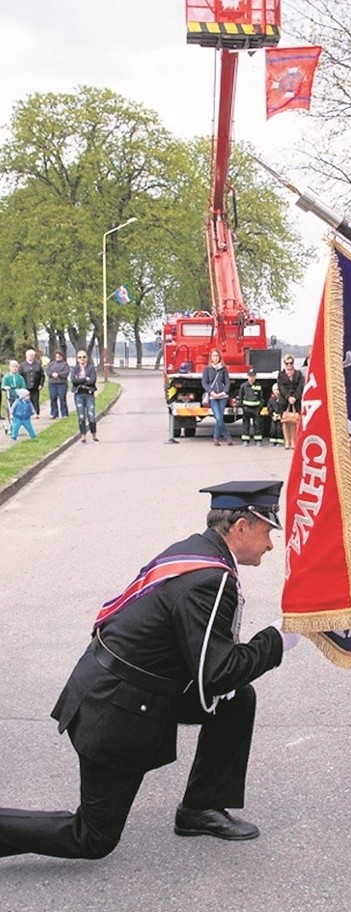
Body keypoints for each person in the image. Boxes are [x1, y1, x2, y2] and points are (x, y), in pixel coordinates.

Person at [0, 481, 296, 860]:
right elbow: (217, 674)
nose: (271, 544)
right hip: (115, 711)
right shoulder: (211, 579)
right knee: (92, 838)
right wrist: (279, 638)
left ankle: (199, 809)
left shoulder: (197, 550)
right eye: (267, 531)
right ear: (241, 527)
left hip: (115, 688)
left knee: (236, 700)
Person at [201, 348, 233, 446]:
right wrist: (211, 392)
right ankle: (227, 436)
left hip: (223, 396)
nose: (215, 358)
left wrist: (224, 392)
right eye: (213, 356)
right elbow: (204, 383)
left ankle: (216, 438)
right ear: (210, 357)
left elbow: (227, 382)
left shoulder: (224, 369)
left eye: (217, 356)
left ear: (219, 357)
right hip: (213, 397)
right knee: (218, 417)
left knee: (220, 417)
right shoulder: (207, 369)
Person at [276, 355, 304, 449]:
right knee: (285, 421)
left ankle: (293, 442)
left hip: (296, 401)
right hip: (284, 400)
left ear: (293, 363)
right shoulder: (281, 374)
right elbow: (281, 387)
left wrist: (295, 397)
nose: (289, 365)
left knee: (294, 422)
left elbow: (300, 387)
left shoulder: (298, 374)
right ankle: (287, 441)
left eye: (291, 363)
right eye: (287, 363)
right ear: (284, 363)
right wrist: (288, 397)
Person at [70, 351, 98, 443]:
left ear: (87, 358)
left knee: (91, 415)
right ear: (77, 359)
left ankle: (94, 434)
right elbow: (74, 380)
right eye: (80, 357)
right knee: (81, 416)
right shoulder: (75, 368)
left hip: (89, 394)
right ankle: (83, 436)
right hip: (79, 394)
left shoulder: (91, 368)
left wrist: (80, 381)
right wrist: (85, 379)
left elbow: (92, 381)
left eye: (84, 357)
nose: (82, 359)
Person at [237, 368, 264, 447]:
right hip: (246, 409)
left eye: (253, 376)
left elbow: (261, 397)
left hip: (256, 409)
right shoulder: (244, 386)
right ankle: (245, 440)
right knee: (246, 425)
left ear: (255, 377)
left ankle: (258, 440)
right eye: (250, 376)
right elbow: (240, 397)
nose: (251, 378)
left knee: (257, 424)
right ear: (247, 376)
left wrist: (260, 407)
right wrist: (242, 407)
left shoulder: (258, 386)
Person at [19, 349, 45, 417]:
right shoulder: (22, 365)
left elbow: (42, 375)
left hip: (36, 386)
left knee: (35, 399)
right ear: (26, 356)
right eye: (29, 355)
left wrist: (41, 384)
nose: (31, 356)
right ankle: (27, 413)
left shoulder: (38, 364)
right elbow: (20, 376)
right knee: (26, 400)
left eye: (32, 355)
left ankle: (36, 413)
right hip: (25, 386)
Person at [47, 351, 71, 419]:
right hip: (52, 384)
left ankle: (64, 413)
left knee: (62, 398)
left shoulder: (65, 364)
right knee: (53, 398)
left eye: (59, 356)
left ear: (62, 357)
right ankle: (54, 413)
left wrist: (58, 374)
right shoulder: (51, 364)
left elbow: (66, 372)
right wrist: (52, 374)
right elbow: (48, 371)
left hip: (62, 384)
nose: (58, 358)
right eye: (56, 356)